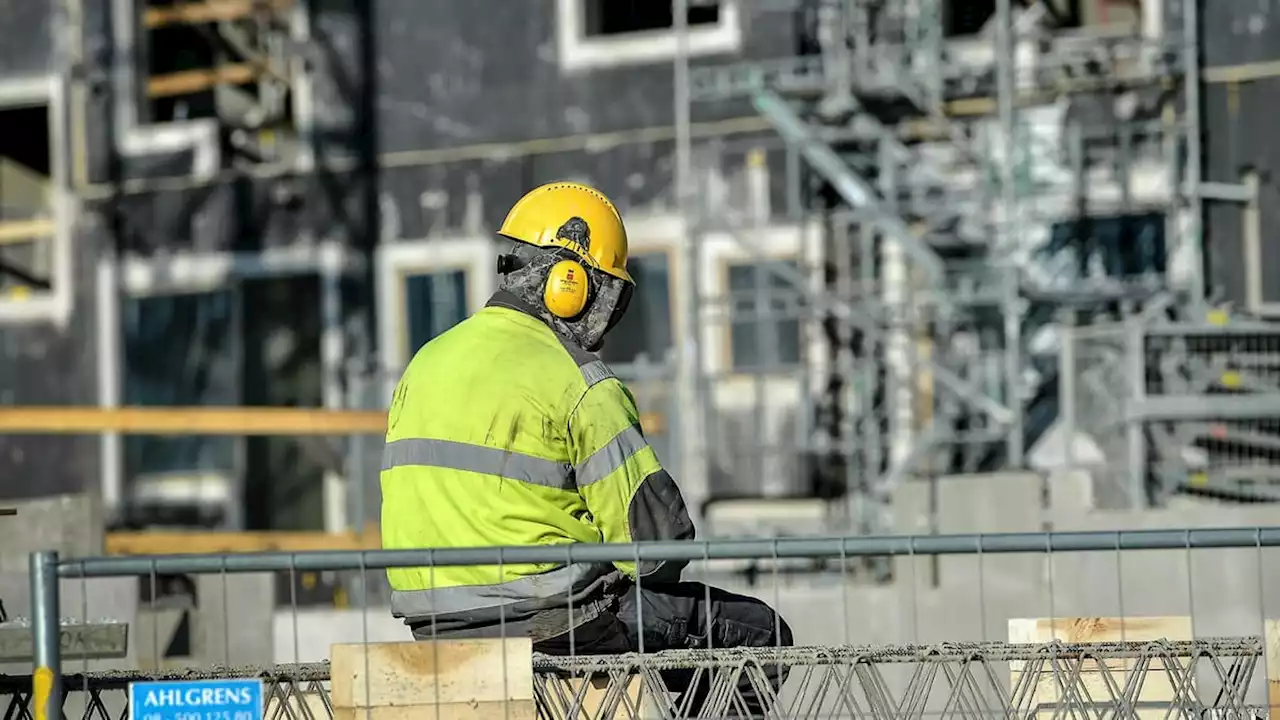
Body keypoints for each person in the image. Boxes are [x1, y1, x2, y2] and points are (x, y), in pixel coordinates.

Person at [380, 181, 793, 713]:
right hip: (555, 620)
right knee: (760, 637)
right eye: (607, 295)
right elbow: (654, 551)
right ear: (569, 283)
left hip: (433, 623)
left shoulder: (426, 362)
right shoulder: (580, 381)